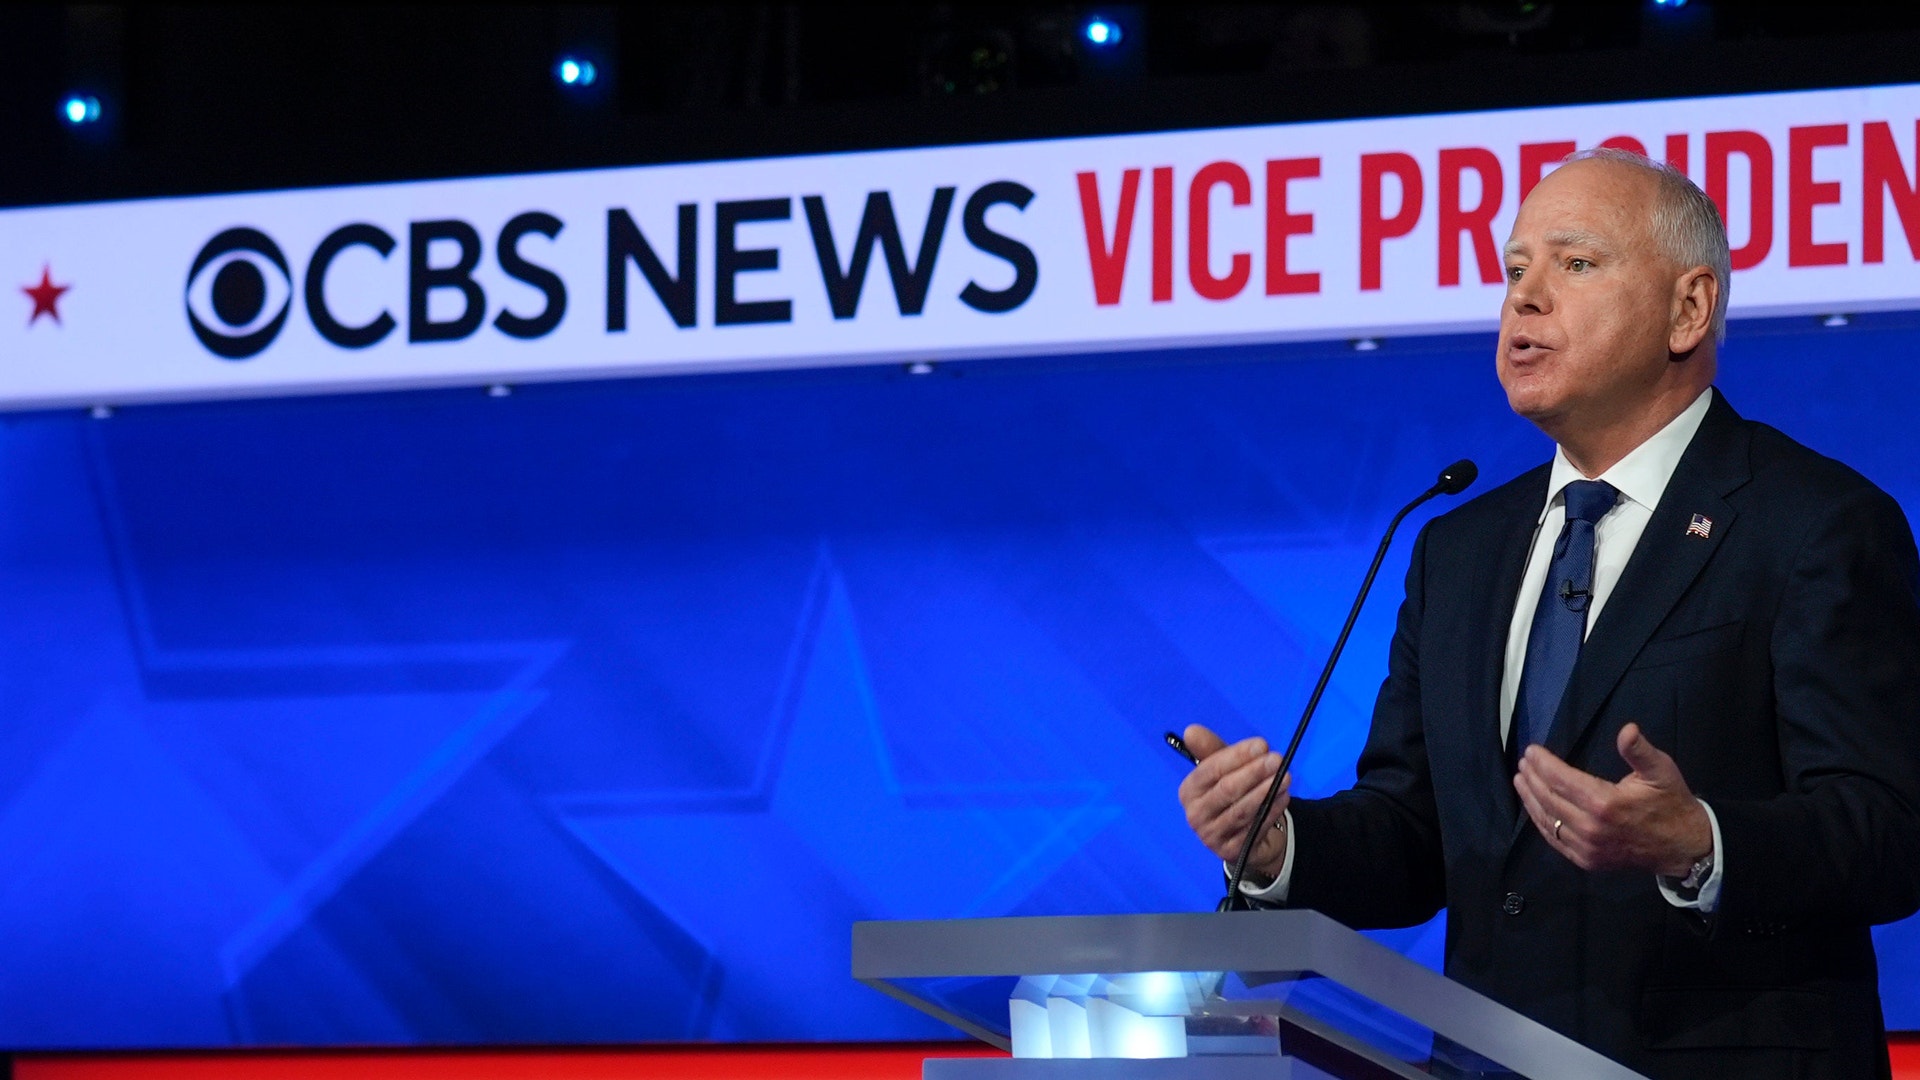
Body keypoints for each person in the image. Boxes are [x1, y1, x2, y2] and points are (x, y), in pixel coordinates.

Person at [1178, 147, 1920, 1079]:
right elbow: (1416, 835)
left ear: (1688, 310)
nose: (1524, 299)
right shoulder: (1456, 548)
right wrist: (1278, 846)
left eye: (1575, 264)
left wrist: (1701, 842)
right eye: (1514, 270)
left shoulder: (1813, 523)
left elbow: (1890, 829)